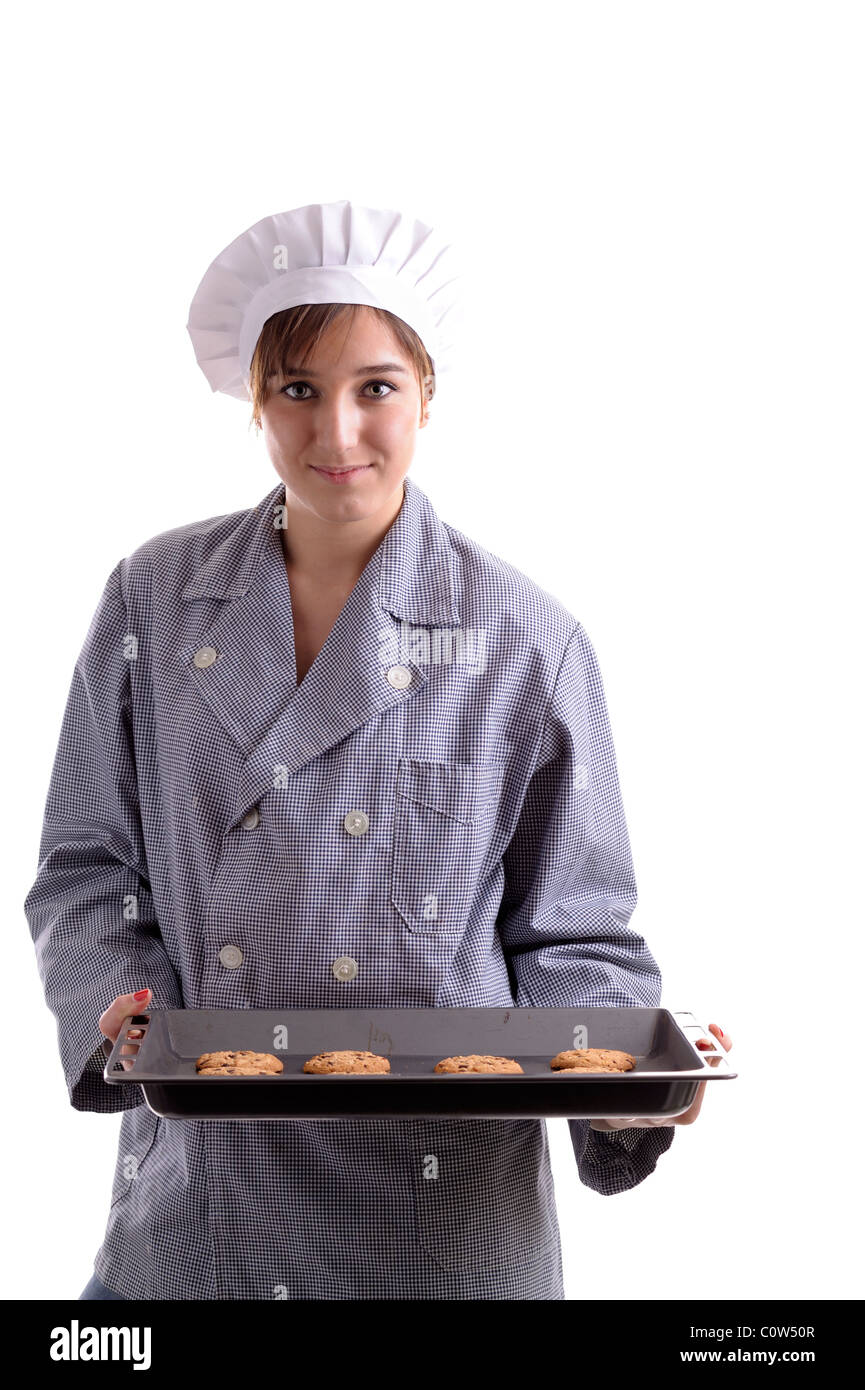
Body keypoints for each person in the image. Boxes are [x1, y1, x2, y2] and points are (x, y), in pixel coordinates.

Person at [24, 200, 731, 1302]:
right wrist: (120, 995)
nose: (337, 432)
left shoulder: (525, 638)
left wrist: (617, 1076)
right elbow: (87, 865)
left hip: (442, 1213)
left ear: (428, 395)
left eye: (376, 388)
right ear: (253, 399)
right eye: (298, 390)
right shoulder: (151, 600)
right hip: (203, 1204)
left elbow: (572, 930)